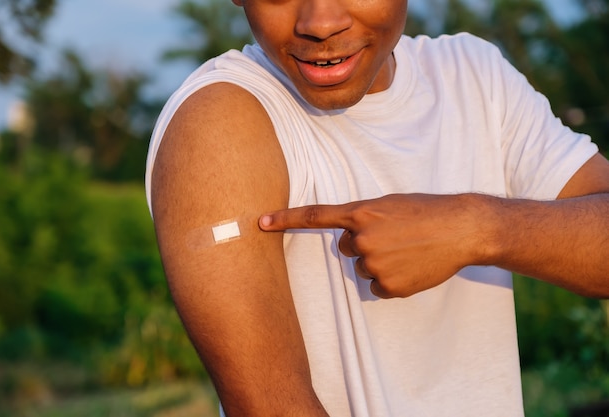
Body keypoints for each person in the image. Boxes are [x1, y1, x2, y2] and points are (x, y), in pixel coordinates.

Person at [145, 0, 609, 414]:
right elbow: (267, 404)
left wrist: (477, 228)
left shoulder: (475, 76)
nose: (320, 22)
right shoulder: (218, 121)